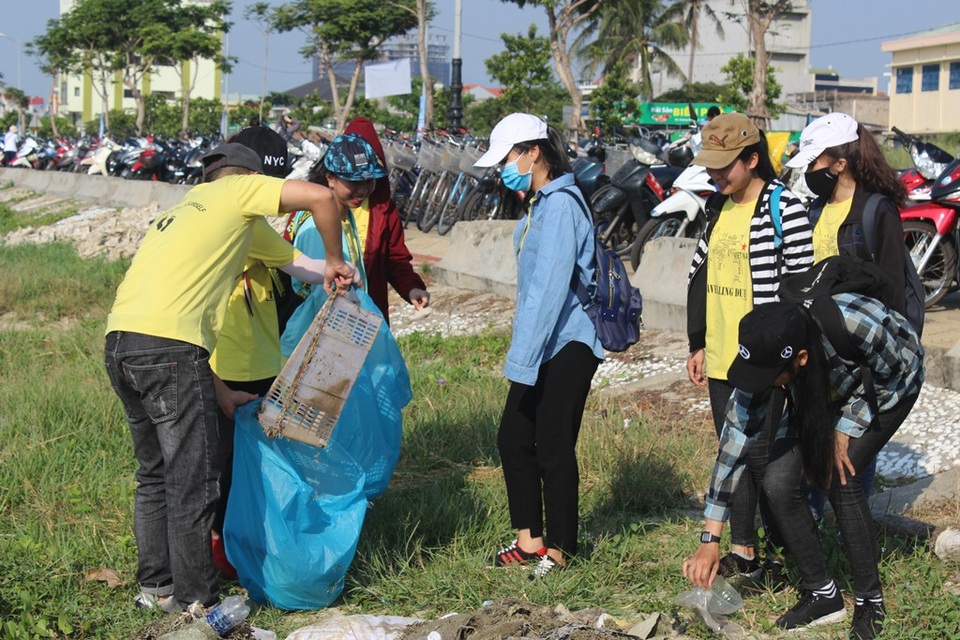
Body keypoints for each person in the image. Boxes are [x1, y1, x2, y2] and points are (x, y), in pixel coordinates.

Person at [103, 142, 355, 612]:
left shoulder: (188, 213)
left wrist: (217, 390)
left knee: (154, 473)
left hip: (122, 343)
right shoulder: (238, 192)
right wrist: (339, 258)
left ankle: (155, 590)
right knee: (192, 479)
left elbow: (293, 262)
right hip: (170, 350)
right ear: (247, 179)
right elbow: (322, 198)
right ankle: (196, 601)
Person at [683, 296, 923, 640]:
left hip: (890, 383)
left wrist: (848, 426)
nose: (759, 385)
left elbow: (898, 372)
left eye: (768, 377)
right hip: (822, 389)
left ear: (801, 358)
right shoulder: (768, 350)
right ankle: (823, 593)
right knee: (778, 481)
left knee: (840, 476)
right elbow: (734, 442)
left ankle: (870, 600)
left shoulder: (855, 324)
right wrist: (710, 538)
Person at [472, 113, 604, 579]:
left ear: (533, 152)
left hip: (569, 340)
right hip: (544, 338)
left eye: (507, 157)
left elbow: (549, 293)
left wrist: (521, 360)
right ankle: (530, 541)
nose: (502, 169)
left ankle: (562, 552)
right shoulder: (539, 203)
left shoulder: (562, 204)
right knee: (512, 435)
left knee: (552, 444)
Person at [686, 112, 814, 583]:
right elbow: (700, 273)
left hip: (764, 359)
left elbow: (804, 291)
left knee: (762, 457)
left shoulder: (784, 208)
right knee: (730, 447)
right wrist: (698, 342)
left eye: (724, 166)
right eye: (711, 166)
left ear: (753, 158)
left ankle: (787, 549)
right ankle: (743, 548)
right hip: (722, 354)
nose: (715, 175)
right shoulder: (716, 208)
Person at [784, 112, 911, 513]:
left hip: (860, 352)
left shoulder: (876, 211)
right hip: (819, 350)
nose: (808, 172)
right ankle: (820, 526)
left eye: (814, 163)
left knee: (850, 456)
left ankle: (847, 529)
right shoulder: (815, 209)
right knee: (815, 442)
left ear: (839, 163)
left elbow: (892, 289)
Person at [207, 126, 294, 580]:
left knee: (250, 464)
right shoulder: (239, 225)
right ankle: (222, 546)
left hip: (262, 363)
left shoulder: (252, 225)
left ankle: (242, 541)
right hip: (228, 366)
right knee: (224, 466)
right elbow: (300, 265)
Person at [285, 118, 429, 324]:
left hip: (358, 321)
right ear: (330, 178)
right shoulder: (312, 221)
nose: (362, 189)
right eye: (353, 181)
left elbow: (395, 258)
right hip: (326, 329)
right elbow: (310, 290)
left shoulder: (369, 210)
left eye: (369, 180)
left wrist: (411, 286)